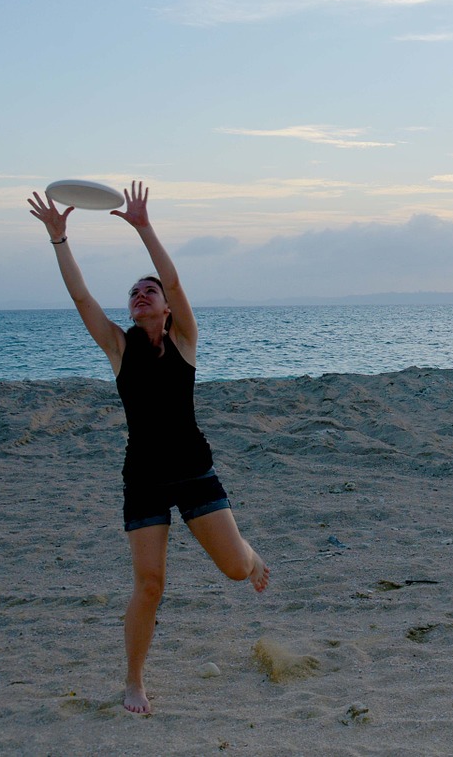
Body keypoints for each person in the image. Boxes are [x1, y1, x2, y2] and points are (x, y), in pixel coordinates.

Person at [28, 181, 270, 715]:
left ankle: (250, 555)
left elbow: (177, 280)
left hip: (193, 469)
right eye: (135, 292)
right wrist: (60, 239)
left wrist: (144, 227)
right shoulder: (119, 348)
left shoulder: (186, 342)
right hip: (143, 477)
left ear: (165, 308)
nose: (142, 294)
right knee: (150, 583)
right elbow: (81, 298)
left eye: (150, 291)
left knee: (233, 570)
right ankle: (134, 681)